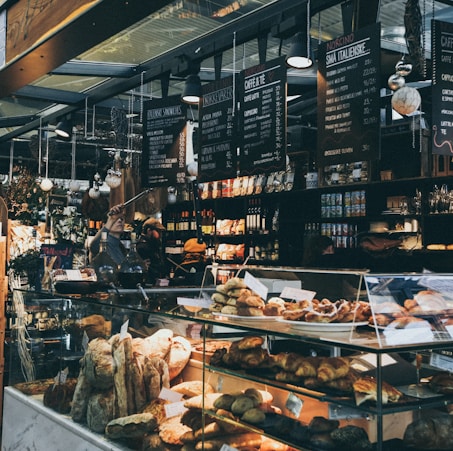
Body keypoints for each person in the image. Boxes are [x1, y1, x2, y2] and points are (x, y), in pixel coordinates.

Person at [136, 217, 167, 285]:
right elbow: (151, 269)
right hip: (149, 283)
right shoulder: (143, 247)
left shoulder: (150, 244)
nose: (160, 235)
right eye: (158, 231)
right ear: (149, 230)